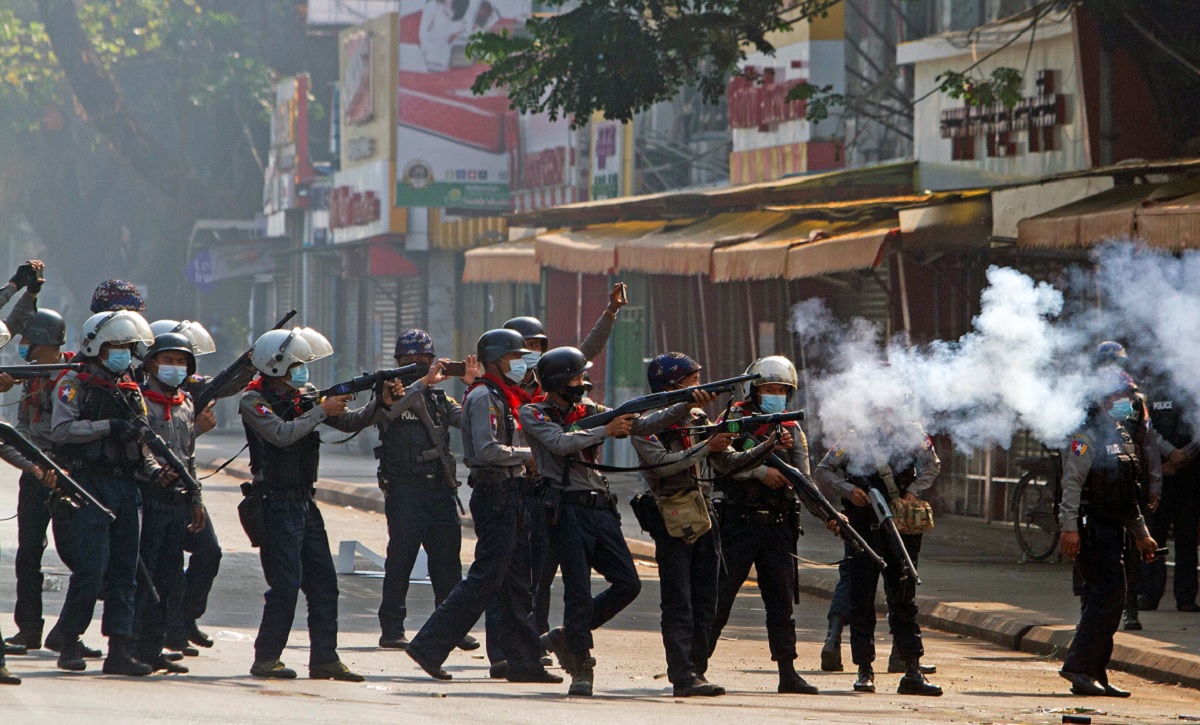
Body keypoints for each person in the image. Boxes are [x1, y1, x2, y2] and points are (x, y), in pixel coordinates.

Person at [521, 347, 696, 696]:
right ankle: (581, 667)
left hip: (600, 509)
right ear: (557, 382)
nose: (582, 382)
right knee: (577, 589)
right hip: (566, 509)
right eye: (575, 378)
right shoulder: (534, 412)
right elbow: (558, 443)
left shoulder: (593, 411)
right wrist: (606, 430)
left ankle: (567, 635)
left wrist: (684, 404)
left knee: (628, 583)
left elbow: (642, 424)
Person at [241, 326, 402, 681]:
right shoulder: (253, 401)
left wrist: (381, 404)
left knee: (324, 584)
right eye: (295, 364)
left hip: (304, 502)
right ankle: (266, 658)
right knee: (285, 585)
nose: (302, 371)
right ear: (275, 365)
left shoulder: (307, 395)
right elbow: (281, 436)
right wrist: (318, 411)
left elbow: (347, 422)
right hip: (275, 502)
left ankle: (325, 658)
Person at [405, 329, 560, 685]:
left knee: (518, 582)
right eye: (513, 358)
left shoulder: (507, 397)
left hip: (514, 491)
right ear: (494, 361)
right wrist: (531, 455)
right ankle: (429, 646)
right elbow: (486, 450)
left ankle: (524, 661)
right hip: (496, 494)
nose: (520, 364)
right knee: (485, 579)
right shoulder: (484, 398)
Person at [490, 282, 627, 674]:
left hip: (569, 491)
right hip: (532, 488)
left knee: (549, 578)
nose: (531, 353)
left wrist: (611, 313)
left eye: (536, 345)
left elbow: (586, 351)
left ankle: (546, 640)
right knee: (526, 577)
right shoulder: (507, 389)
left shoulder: (563, 380)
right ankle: (512, 650)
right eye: (523, 348)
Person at [632, 352, 774, 697]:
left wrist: (768, 446)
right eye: (691, 381)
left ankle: (697, 669)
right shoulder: (644, 424)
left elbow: (725, 462)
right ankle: (682, 674)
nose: (700, 387)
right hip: (672, 517)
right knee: (679, 600)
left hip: (704, 512)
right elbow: (663, 465)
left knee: (706, 598)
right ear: (670, 386)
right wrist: (706, 446)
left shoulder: (697, 416)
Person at [50, 310, 169, 675]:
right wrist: (108, 426)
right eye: (116, 346)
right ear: (97, 346)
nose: (123, 353)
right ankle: (69, 640)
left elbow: (142, 439)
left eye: (127, 347)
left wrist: (156, 471)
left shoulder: (131, 387)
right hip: (89, 483)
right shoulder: (75, 382)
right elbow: (62, 430)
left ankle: (120, 648)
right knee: (91, 567)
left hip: (126, 486)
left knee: (124, 571)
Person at [707, 356, 819, 695]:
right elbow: (720, 464)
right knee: (719, 598)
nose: (776, 395)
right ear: (755, 390)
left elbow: (804, 477)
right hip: (738, 523)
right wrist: (761, 473)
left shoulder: (791, 428)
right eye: (770, 389)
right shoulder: (734, 420)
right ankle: (695, 667)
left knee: (781, 603)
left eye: (782, 390)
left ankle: (788, 672)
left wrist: (829, 514)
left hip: (778, 527)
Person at [814, 417, 943, 697]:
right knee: (861, 599)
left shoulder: (911, 432)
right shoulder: (854, 435)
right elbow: (823, 471)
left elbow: (932, 464)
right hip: (863, 529)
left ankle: (912, 669)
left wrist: (911, 492)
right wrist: (851, 491)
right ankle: (864, 670)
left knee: (904, 600)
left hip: (900, 528)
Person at [375, 329, 481, 652]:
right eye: (410, 362)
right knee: (401, 560)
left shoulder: (438, 399)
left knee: (448, 562)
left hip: (439, 492)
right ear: (397, 364)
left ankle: (450, 627)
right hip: (405, 490)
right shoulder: (388, 394)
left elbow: (468, 421)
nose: (418, 366)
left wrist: (473, 388)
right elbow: (386, 414)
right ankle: (392, 628)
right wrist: (420, 384)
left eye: (424, 361)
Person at [1057, 371, 1160, 697]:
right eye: (1121, 396)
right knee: (1105, 598)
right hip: (1091, 530)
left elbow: (1128, 494)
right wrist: (1069, 528)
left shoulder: (1123, 437)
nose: (1127, 403)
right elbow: (1071, 486)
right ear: (1103, 399)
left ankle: (1096, 672)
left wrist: (1142, 534)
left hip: (1114, 530)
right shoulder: (1084, 438)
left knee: (1112, 601)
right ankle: (1078, 667)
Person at [131, 332, 212, 673]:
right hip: (149, 497)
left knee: (170, 577)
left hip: (177, 500)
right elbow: (139, 446)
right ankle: (131, 646)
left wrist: (196, 498)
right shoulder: (138, 401)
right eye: (168, 360)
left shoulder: (185, 403)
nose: (174, 367)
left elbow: (189, 456)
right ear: (151, 364)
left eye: (181, 362)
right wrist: (154, 473)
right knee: (144, 577)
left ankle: (155, 647)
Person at [1141, 378, 1200, 612]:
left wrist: (1184, 456)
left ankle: (1186, 597)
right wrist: (1169, 454)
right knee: (1156, 538)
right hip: (1161, 477)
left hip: (1190, 478)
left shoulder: (1192, 389)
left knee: (1187, 540)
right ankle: (1150, 592)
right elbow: (1146, 430)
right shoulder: (1151, 393)